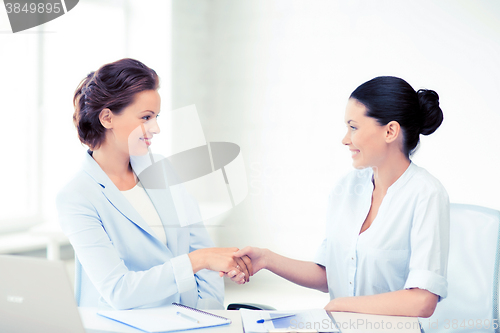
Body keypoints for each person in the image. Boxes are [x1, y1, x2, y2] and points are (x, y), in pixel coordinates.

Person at [236, 76, 449, 318]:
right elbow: (333, 274)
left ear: (390, 131)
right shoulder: (346, 188)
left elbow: (423, 301)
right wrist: (266, 259)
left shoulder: (427, 194)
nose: (345, 139)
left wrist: (342, 305)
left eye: (354, 127)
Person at [57, 58, 251, 311]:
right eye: (146, 117)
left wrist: (206, 314)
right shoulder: (77, 196)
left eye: (156, 117)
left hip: (189, 321)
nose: (156, 128)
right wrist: (198, 261)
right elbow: (119, 291)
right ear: (107, 118)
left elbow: (202, 248)